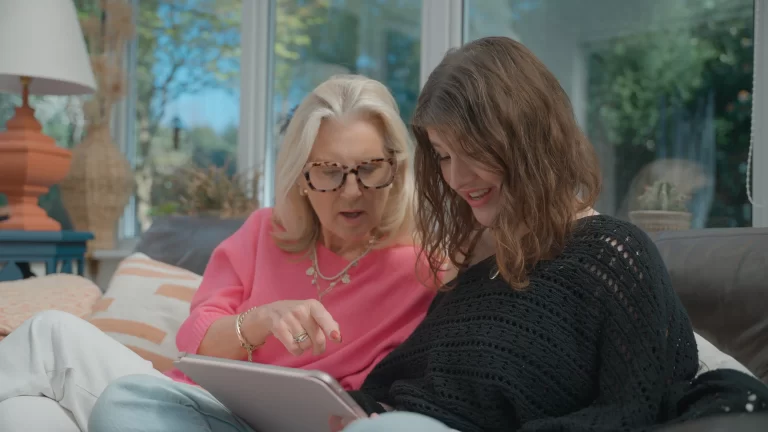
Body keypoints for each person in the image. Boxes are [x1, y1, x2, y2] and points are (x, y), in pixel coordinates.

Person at [337, 37, 768, 431]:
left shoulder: (611, 253)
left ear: (526, 141)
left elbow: (635, 407)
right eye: (445, 156)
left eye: (473, 152)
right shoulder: (470, 266)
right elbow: (407, 381)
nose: (458, 177)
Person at [0, 74, 436, 432]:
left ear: (396, 169)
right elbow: (194, 340)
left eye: (369, 168)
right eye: (329, 172)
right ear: (302, 177)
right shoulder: (265, 230)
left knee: (67, 355)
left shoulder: (422, 269)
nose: (351, 191)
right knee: (27, 401)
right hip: (188, 405)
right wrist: (262, 320)